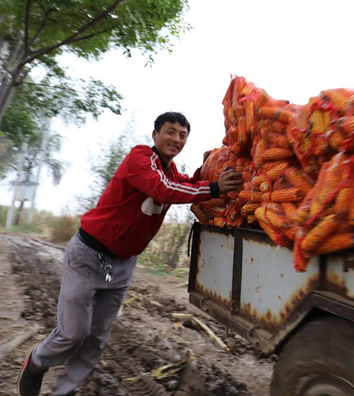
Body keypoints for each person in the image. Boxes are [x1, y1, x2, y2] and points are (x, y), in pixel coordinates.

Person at [17, 112, 242, 396]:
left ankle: (65, 390)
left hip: (122, 265)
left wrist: (211, 170)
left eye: (183, 135)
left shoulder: (172, 173)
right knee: (73, 332)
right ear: (155, 135)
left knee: (97, 338)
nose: (176, 139)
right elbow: (163, 189)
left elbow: (184, 183)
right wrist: (212, 187)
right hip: (87, 255)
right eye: (170, 132)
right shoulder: (140, 158)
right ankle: (37, 362)